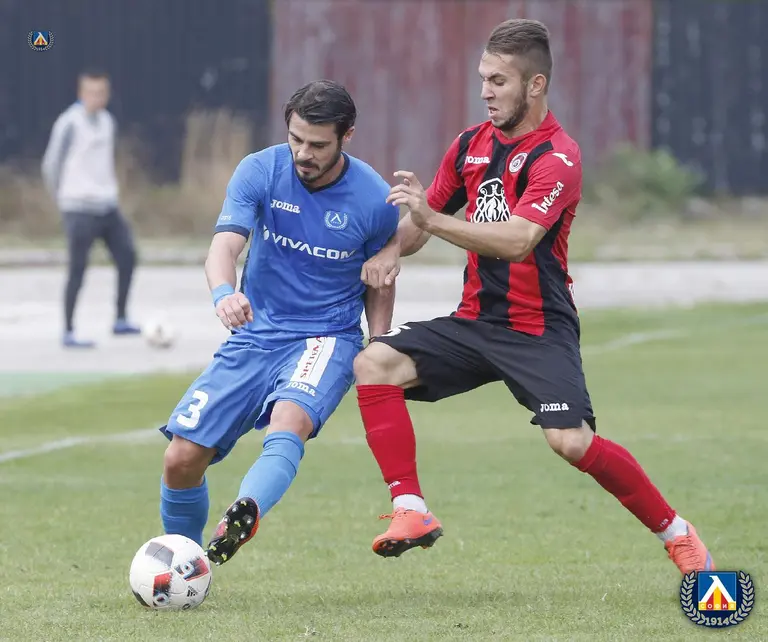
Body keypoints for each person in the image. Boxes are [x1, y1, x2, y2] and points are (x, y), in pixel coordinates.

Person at [354, 19, 714, 575]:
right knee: (375, 363)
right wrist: (389, 250)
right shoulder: (469, 145)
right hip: (474, 321)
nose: (485, 91)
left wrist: (430, 220)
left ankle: (678, 534)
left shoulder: (558, 157)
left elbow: (519, 240)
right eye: (483, 78)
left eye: (498, 81)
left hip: (538, 328)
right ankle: (411, 509)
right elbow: (423, 223)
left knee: (570, 442)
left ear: (536, 84)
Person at [157, 80, 399, 566]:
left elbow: (380, 279)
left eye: (318, 145)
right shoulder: (261, 170)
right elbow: (225, 246)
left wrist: (379, 341)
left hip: (326, 338)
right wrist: (224, 293)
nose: (303, 154)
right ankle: (185, 565)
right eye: (296, 139)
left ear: (347, 136)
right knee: (180, 458)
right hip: (255, 334)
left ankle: (246, 508)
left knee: (289, 419)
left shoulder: (374, 198)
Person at [41, 69, 140, 348]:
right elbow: (51, 164)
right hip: (78, 207)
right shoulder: (69, 123)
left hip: (106, 204)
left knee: (128, 256)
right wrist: (63, 198)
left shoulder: (107, 122)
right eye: (91, 92)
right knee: (78, 269)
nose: (97, 98)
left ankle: (120, 318)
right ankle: (68, 330)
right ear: (81, 93)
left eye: (102, 93)